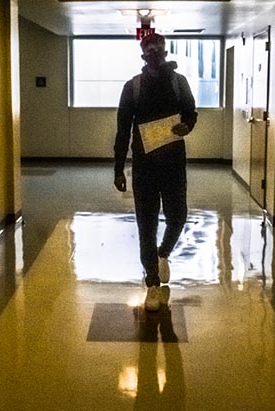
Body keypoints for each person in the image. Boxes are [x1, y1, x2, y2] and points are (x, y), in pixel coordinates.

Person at [113, 33, 198, 311]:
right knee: (146, 226)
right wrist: (118, 169)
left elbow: (190, 114)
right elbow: (123, 129)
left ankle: (163, 254)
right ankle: (152, 283)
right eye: (149, 49)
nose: (154, 52)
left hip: (174, 164)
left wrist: (187, 126)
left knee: (178, 216)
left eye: (158, 48)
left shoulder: (178, 82)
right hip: (144, 168)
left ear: (165, 51)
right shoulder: (132, 87)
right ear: (142, 55)